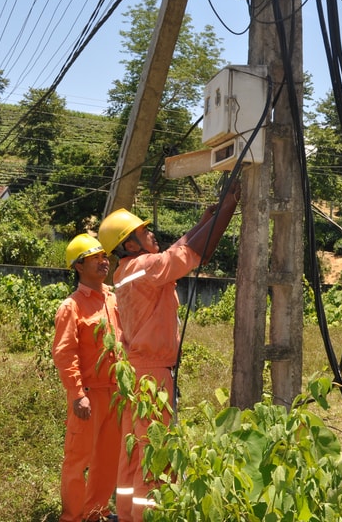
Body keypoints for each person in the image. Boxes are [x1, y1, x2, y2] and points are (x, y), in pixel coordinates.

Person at [97, 182, 240, 522]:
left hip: (138, 371)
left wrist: (210, 214)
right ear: (129, 244)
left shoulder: (131, 271)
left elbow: (179, 248)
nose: (152, 234)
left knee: (134, 450)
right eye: (144, 231)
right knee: (154, 449)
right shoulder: (142, 269)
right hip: (151, 374)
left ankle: (129, 514)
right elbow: (189, 254)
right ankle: (151, 516)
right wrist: (230, 205)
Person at [52, 234, 123, 522]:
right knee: (78, 460)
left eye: (105, 257)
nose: (104, 262)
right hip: (89, 395)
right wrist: (77, 393)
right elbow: (65, 353)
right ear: (79, 266)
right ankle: (73, 517)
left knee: (107, 461)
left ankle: (97, 514)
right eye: (96, 258)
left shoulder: (115, 299)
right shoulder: (71, 306)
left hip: (116, 393)